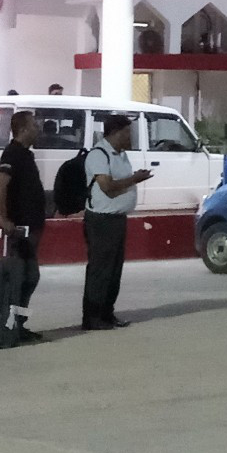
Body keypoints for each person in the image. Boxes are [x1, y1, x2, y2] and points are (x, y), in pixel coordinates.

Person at [83, 116, 152, 330]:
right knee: (100, 270)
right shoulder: (98, 155)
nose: (129, 137)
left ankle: (107, 313)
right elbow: (107, 186)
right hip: (101, 220)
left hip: (117, 219)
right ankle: (92, 317)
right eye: (127, 133)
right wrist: (135, 179)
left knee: (114, 270)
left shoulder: (121, 155)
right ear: (115, 132)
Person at [0, 110, 48, 342]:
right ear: (22, 129)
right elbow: (1, 184)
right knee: (22, 278)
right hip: (20, 230)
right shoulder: (13, 153)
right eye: (34, 124)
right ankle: (11, 326)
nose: (38, 128)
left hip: (31, 228)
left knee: (29, 278)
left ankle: (18, 325)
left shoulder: (25, 155)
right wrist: (3, 217)